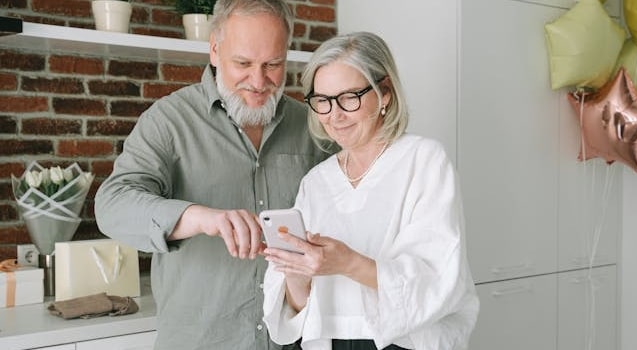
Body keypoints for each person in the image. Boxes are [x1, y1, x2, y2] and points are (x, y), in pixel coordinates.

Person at [93, 0, 331, 348]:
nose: (259, 81)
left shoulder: (312, 126)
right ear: (215, 50)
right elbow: (112, 205)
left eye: (273, 64)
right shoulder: (169, 121)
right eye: (243, 63)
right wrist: (199, 217)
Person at [261, 31, 480, 350]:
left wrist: (347, 262)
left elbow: (438, 279)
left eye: (349, 97)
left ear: (385, 92)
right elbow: (295, 310)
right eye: (322, 101)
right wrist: (296, 272)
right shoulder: (316, 181)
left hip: (403, 343)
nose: (334, 116)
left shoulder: (424, 161)